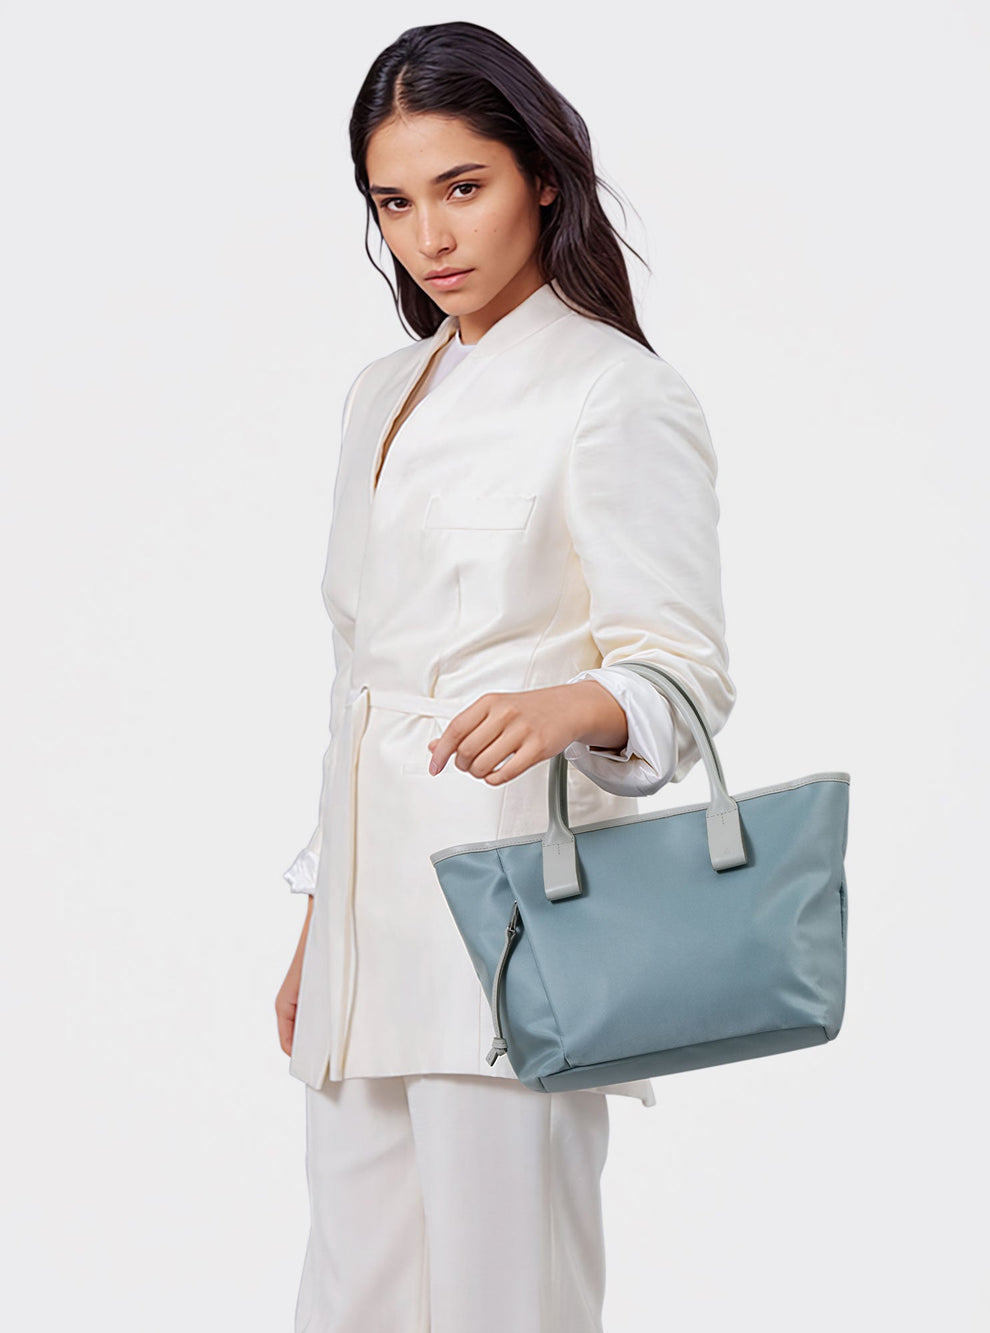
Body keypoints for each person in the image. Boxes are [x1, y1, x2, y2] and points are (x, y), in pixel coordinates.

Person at [274, 21, 736, 1333]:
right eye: (394, 202)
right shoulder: (382, 392)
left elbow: (687, 674)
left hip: (519, 911)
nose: (430, 236)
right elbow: (357, 675)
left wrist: (572, 703)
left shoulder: (615, 394)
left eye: (461, 187)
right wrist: (317, 922)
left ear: (540, 174)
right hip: (366, 932)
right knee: (353, 1299)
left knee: (506, 1300)